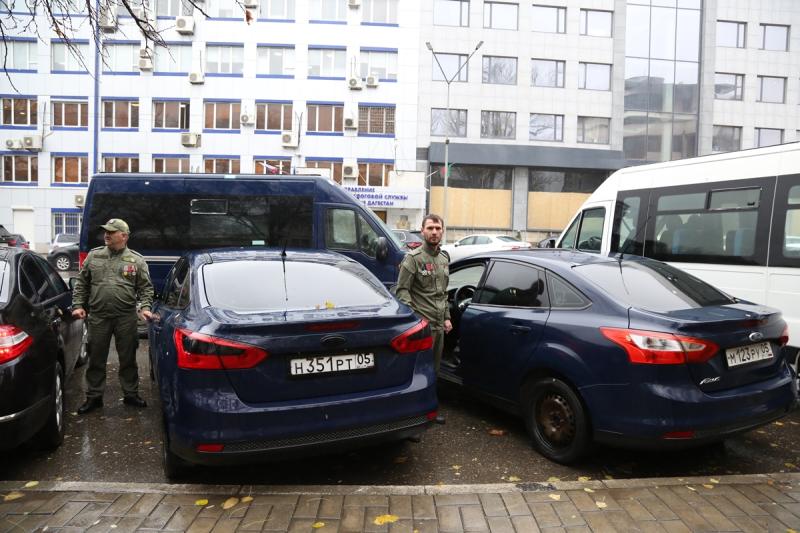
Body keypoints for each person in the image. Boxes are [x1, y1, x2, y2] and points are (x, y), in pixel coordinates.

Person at [72, 218, 154, 414]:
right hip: (98, 317)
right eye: (105, 231)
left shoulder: (136, 260)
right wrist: (77, 305)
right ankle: (94, 397)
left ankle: (131, 394)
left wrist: (145, 307)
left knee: (128, 359)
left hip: (125, 317)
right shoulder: (94, 256)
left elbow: (145, 288)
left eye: (112, 232)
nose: (106, 235)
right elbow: (82, 284)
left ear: (124, 236)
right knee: (96, 358)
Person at [395, 214, 453, 375]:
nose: (434, 232)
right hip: (423, 327)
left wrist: (447, 317)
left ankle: (431, 396)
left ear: (442, 231)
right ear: (422, 231)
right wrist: (416, 320)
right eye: (430, 228)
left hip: (440, 326)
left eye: (438, 228)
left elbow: (443, 292)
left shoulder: (443, 259)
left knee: (435, 369)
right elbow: (402, 290)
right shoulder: (413, 259)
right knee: (419, 370)